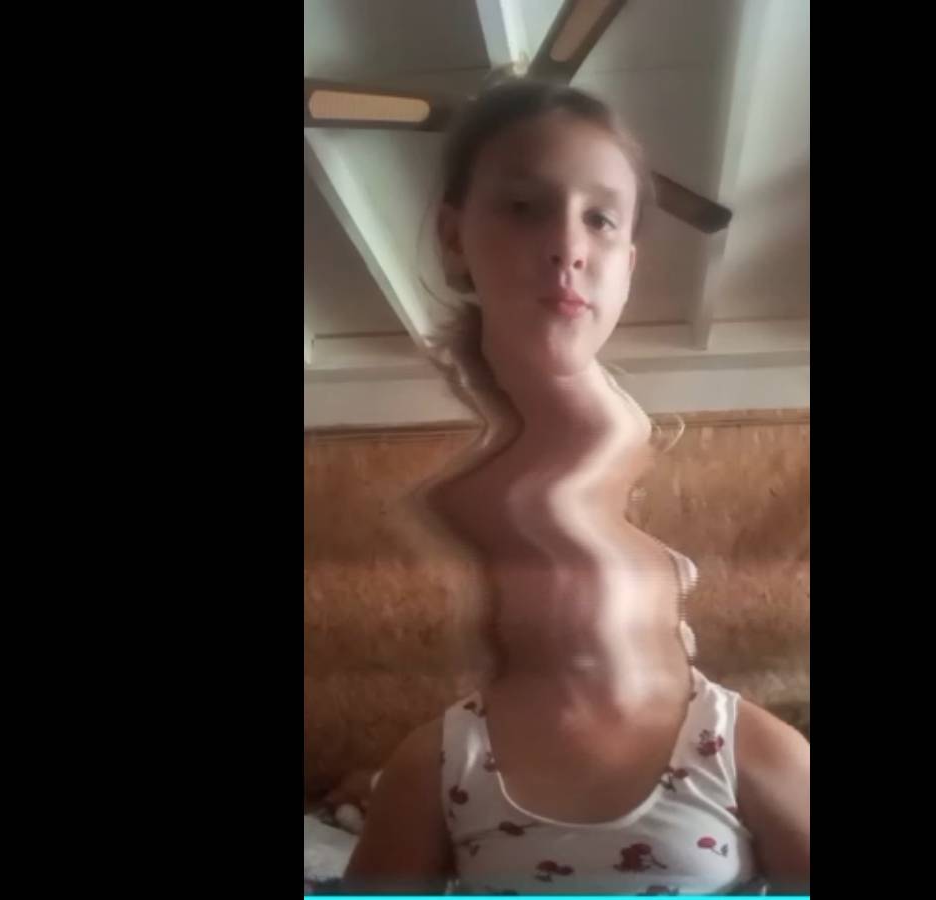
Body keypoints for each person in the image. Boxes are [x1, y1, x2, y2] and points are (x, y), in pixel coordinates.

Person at [341, 80, 809, 894]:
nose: (567, 246)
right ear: (454, 235)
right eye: (525, 208)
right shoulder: (438, 770)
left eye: (601, 218)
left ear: (628, 263)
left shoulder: (753, 754)